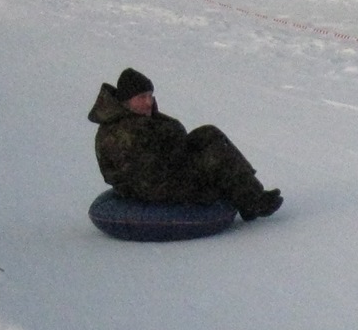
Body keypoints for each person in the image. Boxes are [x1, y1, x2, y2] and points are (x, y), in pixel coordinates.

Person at [88, 68, 283, 221]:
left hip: (162, 171)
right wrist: (205, 186)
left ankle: (251, 196)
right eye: (141, 98)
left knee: (208, 134)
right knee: (213, 158)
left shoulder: (140, 120)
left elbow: (171, 143)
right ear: (126, 102)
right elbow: (146, 177)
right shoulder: (122, 132)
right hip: (150, 185)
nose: (148, 102)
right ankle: (249, 201)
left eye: (150, 95)